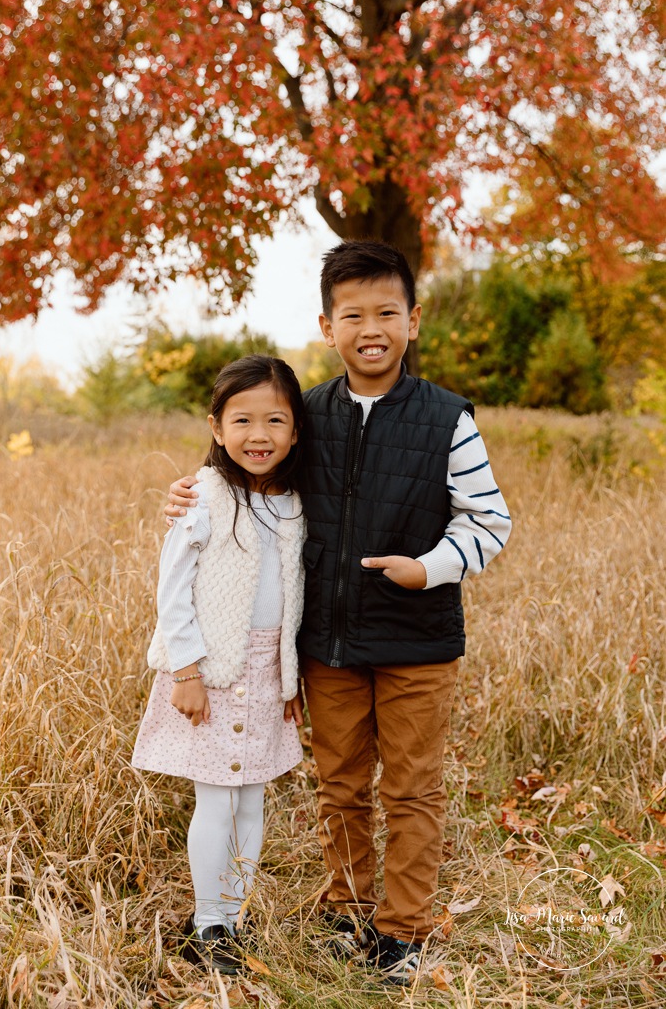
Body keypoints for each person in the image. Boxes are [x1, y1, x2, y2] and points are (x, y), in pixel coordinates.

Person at [165, 242, 511, 985]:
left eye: (386, 312)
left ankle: (404, 930)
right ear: (328, 325)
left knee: (411, 788)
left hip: (419, 641)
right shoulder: (308, 414)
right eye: (352, 314)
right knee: (342, 785)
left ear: (412, 321)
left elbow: (488, 522)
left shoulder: (448, 418)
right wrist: (189, 494)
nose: (370, 328)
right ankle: (345, 912)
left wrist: (428, 568)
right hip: (327, 643)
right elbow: (249, 474)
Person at [133, 354, 306, 975]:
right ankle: (208, 923)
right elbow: (172, 589)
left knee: (253, 797)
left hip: (267, 671)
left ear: (295, 431)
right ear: (216, 427)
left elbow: (294, 598)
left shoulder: (294, 502)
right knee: (216, 798)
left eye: (275, 421)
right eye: (243, 421)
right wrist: (186, 672)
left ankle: (234, 915)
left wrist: (290, 677)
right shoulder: (202, 495)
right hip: (211, 671)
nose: (259, 436)